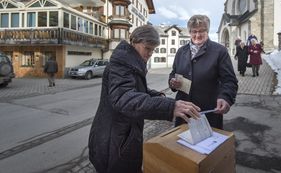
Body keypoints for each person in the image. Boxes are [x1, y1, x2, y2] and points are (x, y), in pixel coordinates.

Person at [88, 25, 201, 173]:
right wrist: (169, 107)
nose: (150, 54)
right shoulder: (121, 63)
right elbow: (123, 97)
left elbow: (136, 89)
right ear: (135, 41)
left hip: (122, 137)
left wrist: (155, 95)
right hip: (113, 141)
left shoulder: (130, 61)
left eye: (153, 50)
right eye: (147, 48)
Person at [169, 15, 238, 130]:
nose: (198, 35)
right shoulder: (181, 51)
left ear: (208, 31)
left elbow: (229, 81)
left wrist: (225, 97)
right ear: (189, 32)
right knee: (182, 146)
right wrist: (172, 82)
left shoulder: (219, 51)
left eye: (202, 31)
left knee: (208, 146)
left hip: (208, 112)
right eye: (194, 31)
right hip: (184, 113)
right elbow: (173, 73)